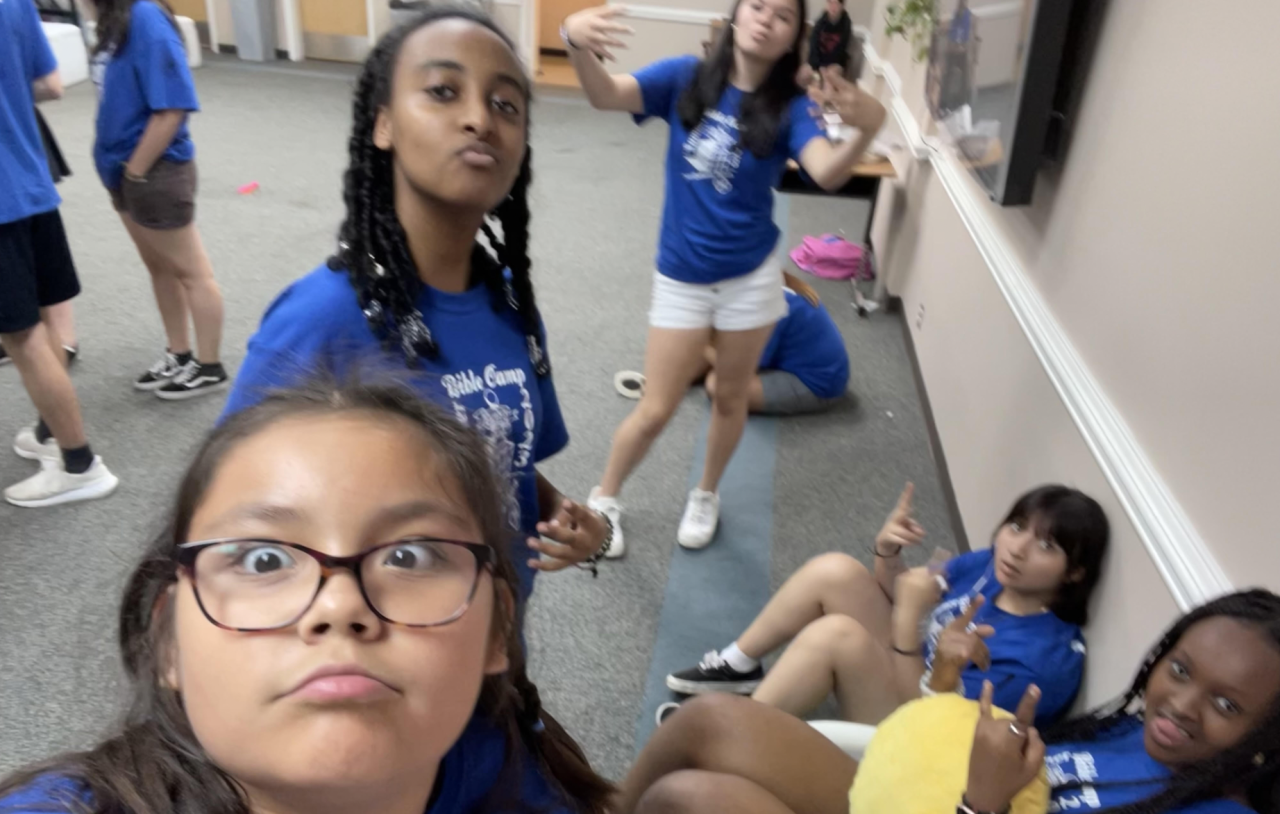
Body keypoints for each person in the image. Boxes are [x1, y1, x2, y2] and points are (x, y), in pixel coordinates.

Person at [0, 379, 615, 814]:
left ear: (499, 627)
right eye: (263, 559)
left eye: (410, 556)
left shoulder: (532, 781)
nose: (339, 607)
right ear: (168, 640)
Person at [220, 7, 613, 598]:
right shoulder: (321, 318)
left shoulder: (511, 305)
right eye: (443, 92)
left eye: (506, 105)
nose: (479, 118)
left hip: (496, 629)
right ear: (384, 124)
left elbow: (501, 459)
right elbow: (227, 501)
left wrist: (564, 515)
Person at [562, 0, 886, 552]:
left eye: (782, 15)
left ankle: (706, 493)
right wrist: (573, 40)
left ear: (793, 36)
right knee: (656, 407)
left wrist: (868, 127)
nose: (766, 18)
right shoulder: (683, 77)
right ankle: (604, 500)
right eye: (756, 5)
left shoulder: (790, 107)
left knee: (731, 398)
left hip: (750, 281)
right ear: (736, 14)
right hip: (682, 278)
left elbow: (827, 172)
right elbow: (604, 94)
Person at [616, 588, 1280, 814]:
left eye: (1226, 706)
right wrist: (942, 691)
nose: (1180, 705)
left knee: (691, 798)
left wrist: (980, 804)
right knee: (712, 719)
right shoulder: (1133, 732)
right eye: (1180, 669)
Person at [665, 484, 1109, 727]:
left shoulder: (1039, 663)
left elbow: (930, 722)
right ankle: (738, 664)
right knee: (837, 571)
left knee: (836, 636)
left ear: (1075, 572)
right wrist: (888, 553)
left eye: (1045, 546)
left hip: (918, 729)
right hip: (912, 670)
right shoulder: (994, 565)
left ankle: (729, 735)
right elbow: (906, 591)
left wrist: (906, 622)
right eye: (1016, 526)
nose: (1017, 548)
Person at [0, 0, 118, 507]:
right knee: (44, 321)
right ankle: (51, 431)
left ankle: (79, 465)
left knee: (22, 336)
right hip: (29, 181)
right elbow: (49, 85)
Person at [89, 0, 229, 399]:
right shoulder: (112, 20)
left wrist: (137, 170)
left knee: (192, 272)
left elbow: (172, 107)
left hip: (154, 171)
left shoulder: (146, 16)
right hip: (121, 169)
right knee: (160, 268)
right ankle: (179, 353)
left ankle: (210, 366)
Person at [700, 282, 849, 416]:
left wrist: (700, 344)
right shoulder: (764, 286)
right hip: (806, 362)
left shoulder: (764, 307)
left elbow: (740, 369)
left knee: (717, 385)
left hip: (817, 385)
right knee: (707, 353)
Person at [798, 0, 852, 90]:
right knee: (804, 76)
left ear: (842, 6)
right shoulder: (820, 22)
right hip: (818, 62)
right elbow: (813, 46)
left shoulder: (846, 24)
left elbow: (841, 50)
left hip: (835, 63)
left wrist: (826, 68)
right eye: (830, 3)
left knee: (829, 81)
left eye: (836, 4)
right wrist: (817, 67)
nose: (833, 7)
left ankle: (825, 97)